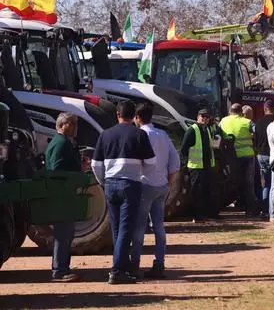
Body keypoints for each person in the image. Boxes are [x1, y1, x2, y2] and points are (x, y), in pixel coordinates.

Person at [92, 101, 156, 285]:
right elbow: (151, 162)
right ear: (133, 115)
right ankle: (117, 270)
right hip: (131, 184)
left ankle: (124, 266)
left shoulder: (105, 134)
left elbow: (96, 165)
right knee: (126, 228)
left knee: (117, 228)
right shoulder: (139, 134)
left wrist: (103, 182)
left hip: (111, 184)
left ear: (117, 114)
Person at [130, 103, 180, 279]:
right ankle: (159, 263)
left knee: (138, 227)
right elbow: (175, 162)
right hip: (161, 185)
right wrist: (168, 181)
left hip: (144, 184)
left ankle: (134, 264)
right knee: (159, 226)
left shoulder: (139, 135)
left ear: (137, 117)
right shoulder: (163, 135)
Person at [44, 113, 82, 282]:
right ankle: (59, 270)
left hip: (62, 194)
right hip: (62, 194)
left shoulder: (61, 142)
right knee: (63, 232)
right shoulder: (61, 143)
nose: (75, 128)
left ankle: (62, 267)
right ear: (63, 125)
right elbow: (57, 170)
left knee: (66, 232)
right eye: (72, 124)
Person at [221, 103, 259, 217]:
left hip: (231, 156)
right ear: (241, 112)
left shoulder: (223, 121)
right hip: (247, 155)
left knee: (234, 181)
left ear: (230, 111)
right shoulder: (247, 122)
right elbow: (257, 133)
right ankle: (251, 209)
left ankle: (239, 203)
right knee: (249, 182)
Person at [181, 108, 216, 223]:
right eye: (202, 116)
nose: (203, 119)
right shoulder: (192, 130)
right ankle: (197, 215)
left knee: (206, 191)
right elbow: (184, 149)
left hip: (206, 166)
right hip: (195, 166)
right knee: (196, 192)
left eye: (206, 117)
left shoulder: (208, 129)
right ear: (198, 117)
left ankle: (206, 213)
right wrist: (186, 163)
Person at [254, 100, 274, 215]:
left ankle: (265, 208)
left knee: (265, 183)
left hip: (261, 155)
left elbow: (255, 141)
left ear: (264, 108)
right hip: (273, 154)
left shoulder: (258, 122)